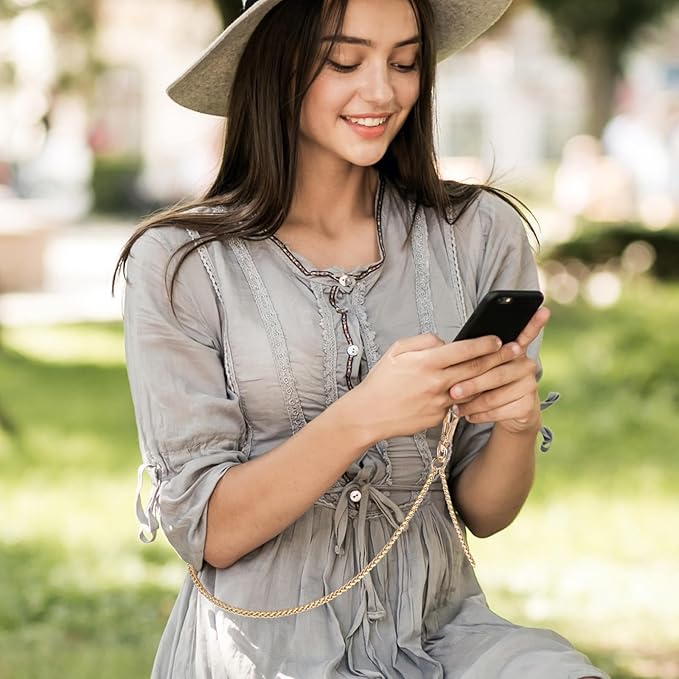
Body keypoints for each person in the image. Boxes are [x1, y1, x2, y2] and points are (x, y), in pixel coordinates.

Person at [116, 0, 608, 677]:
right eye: (344, 60)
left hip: (444, 634)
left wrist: (516, 422)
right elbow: (209, 530)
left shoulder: (479, 234)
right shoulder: (179, 264)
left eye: (404, 62)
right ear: (276, 67)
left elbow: (485, 511)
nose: (382, 90)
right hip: (264, 650)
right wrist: (361, 417)